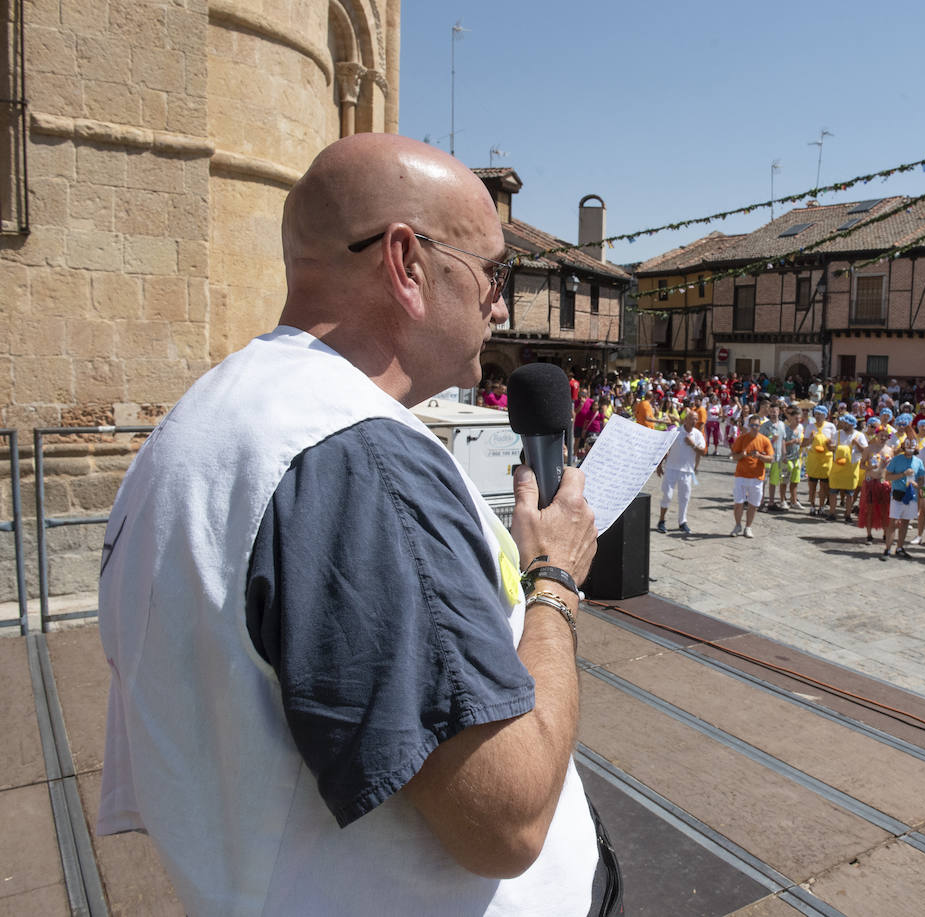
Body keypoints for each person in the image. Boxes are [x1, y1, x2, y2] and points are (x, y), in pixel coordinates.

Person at [96, 135, 616, 915]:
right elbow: (506, 820)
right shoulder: (358, 460)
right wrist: (555, 580)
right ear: (406, 263)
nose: (500, 305)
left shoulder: (191, 425)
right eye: (492, 273)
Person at [656, 408, 707, 534]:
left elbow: (703, 452)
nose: (694, 421)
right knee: (667, 496)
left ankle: (682, 522)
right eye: (691, 418)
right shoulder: (675, 431)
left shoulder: (697, 434)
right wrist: (659, 464)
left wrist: (693, 445)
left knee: (684, 497)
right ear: (685, 419)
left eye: (696, 419)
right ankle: (662, 520)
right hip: (671, 468)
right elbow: (665, 447)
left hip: (687, 471)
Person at [730, 414, 774, 537]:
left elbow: (771, 458)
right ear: (749, 426)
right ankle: (738, 525)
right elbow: (734, 456)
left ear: (760, 426)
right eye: (752, 425)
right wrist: (742, 455)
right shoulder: (741, 439)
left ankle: (748, 527)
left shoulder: (764, 440)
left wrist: (760, 456)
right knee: (738, 502)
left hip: (757, 477)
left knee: (753, 504)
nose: (754, 427)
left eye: (756, 425)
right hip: (741, 475)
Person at [884, 435, 925, 559]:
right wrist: (903, 474)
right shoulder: (896, 459)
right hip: (897, 495)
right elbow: (887, 477)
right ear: (904, 446)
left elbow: (922, 479)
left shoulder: (918, 461)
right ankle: (887, 549)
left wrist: (918, 485)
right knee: (893, 523)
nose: (910, 447)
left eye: (913, 444)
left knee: (905, 523)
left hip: (911, 497)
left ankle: (900, 548)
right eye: (908, 444)